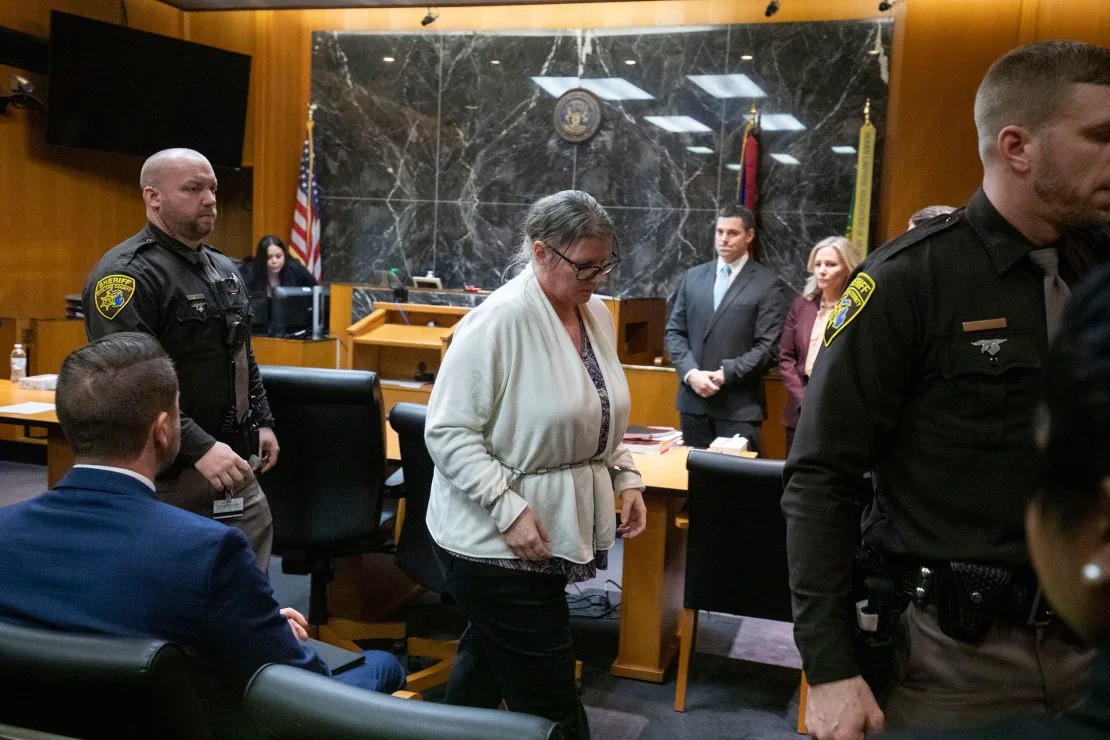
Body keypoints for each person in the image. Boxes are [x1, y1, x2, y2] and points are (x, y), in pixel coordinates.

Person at [782, 40, 1109, 738]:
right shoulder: (908, 281)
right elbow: (821, 476)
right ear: (1017, 148)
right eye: (1101, 136)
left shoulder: (1097, 271)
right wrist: (830, 668)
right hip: (957, 658)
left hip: (1093, 642)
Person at [0, 333, 405, 733]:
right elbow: (302, 686)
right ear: (162, 430)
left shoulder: (5, 530)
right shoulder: (208, 551)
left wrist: (255, 621)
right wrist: (278, 637)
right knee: (382, 666)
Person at [424, 190, 648, 739]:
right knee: (551, 700)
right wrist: (507, 508)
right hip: (493, 543)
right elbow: (447, 432)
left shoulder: (594, 313)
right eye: (586, 265)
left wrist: (626, 475)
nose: (598, 277)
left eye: (606, 264)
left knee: (483, 673)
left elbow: (598, 409)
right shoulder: (498, 320)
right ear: (542, 252)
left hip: (546, 535)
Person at [83, 148, 277, 571]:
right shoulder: (127, 276)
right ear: (152, 197)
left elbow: (240, 352)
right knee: (172, 587)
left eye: (213, 189)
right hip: (171, 472)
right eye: (193, 189)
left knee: (248, 583)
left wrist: (260, 419)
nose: (210, 199)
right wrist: (201, 447)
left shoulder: (223, 267)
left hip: (235, 462)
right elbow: (133, 380)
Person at [664, 204, 788, 452]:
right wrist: (691, 374)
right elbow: (675, 332)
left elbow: (768, 348)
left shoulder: (767, 284)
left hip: (739, 407)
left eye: (732, 233)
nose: (724, 239)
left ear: (749, 235)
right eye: (720, 232)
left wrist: (725, 374)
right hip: (694, 404)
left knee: (736, 477)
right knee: (693, 475)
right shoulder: (693, 277)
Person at [778, 236, 861, 456]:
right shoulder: (802, 305)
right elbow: (786, 357)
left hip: (838, 407)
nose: (822, 271)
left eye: (831, 265)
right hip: (800, 406)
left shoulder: (857, 309)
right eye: (818, 264)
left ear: (848, 268)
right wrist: (803, 397)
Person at [240, 234, 317, 297]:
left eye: (278, 256)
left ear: (285, 255)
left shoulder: (295, 268)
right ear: (261, 258)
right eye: (268, 257)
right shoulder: (249, 271)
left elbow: (315, 291)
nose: (274, 261)